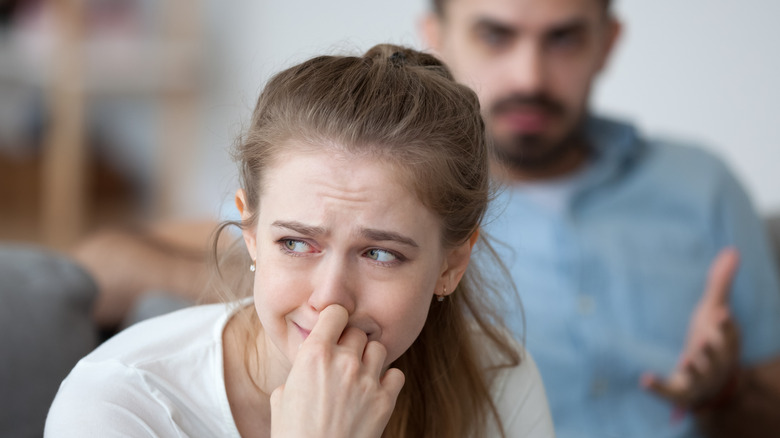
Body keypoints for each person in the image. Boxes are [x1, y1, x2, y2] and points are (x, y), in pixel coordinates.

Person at [44, 44, 555, 437]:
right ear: (250, 232)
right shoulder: (118, 403)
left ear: (452, 263)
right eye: (296, 243)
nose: (330, 295)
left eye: (380, 253)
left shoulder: (496, 378)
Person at [420, 0, 780, 437]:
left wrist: (725, 391)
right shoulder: (401, 215)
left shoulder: (703, 184)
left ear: (607, 44)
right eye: (495, 36)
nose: (529, 78)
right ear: (437, 40)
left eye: (564, 38)